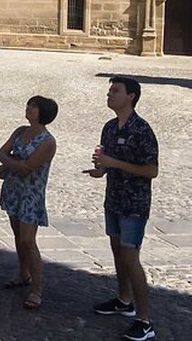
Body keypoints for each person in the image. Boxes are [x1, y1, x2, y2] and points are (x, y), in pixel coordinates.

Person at [85, 76, 159, 341]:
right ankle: (124, 300)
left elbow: (151, 170)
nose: (109, 95)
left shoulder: (142, 130)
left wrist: (112, 163)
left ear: (131, 96)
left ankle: (145, 320)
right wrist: (100, 169)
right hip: (113, 200)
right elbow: (108, 163)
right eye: (109, 90)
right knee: (117, 254)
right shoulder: (109, 127)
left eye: (115, 91)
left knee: (131, 259)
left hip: (134, 205)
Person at [0, 96, 59, 311]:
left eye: (34, 107)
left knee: (28, 241)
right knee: (17, 236)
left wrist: (10, 162)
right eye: (29, 105)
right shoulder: (20, 131)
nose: (29, 108)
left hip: (31, 194)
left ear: (43, 113)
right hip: (14, 190)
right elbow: (0, 153)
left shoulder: (47, 141)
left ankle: (37, 289)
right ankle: (23, 273)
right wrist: (15, 163)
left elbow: (27, 167)